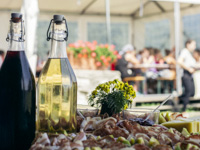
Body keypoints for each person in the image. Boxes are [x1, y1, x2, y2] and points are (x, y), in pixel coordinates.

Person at [178, 40, 196, 111]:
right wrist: (189, 69)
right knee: (188, 92)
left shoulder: (189, 53)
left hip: (190, 75)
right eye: (193, 44)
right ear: (188, 44)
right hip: (186, 74)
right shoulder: (184, 51)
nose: (194, 47)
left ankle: (177, 99)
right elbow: (179, 61)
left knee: (192, 92)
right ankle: (184, 109)